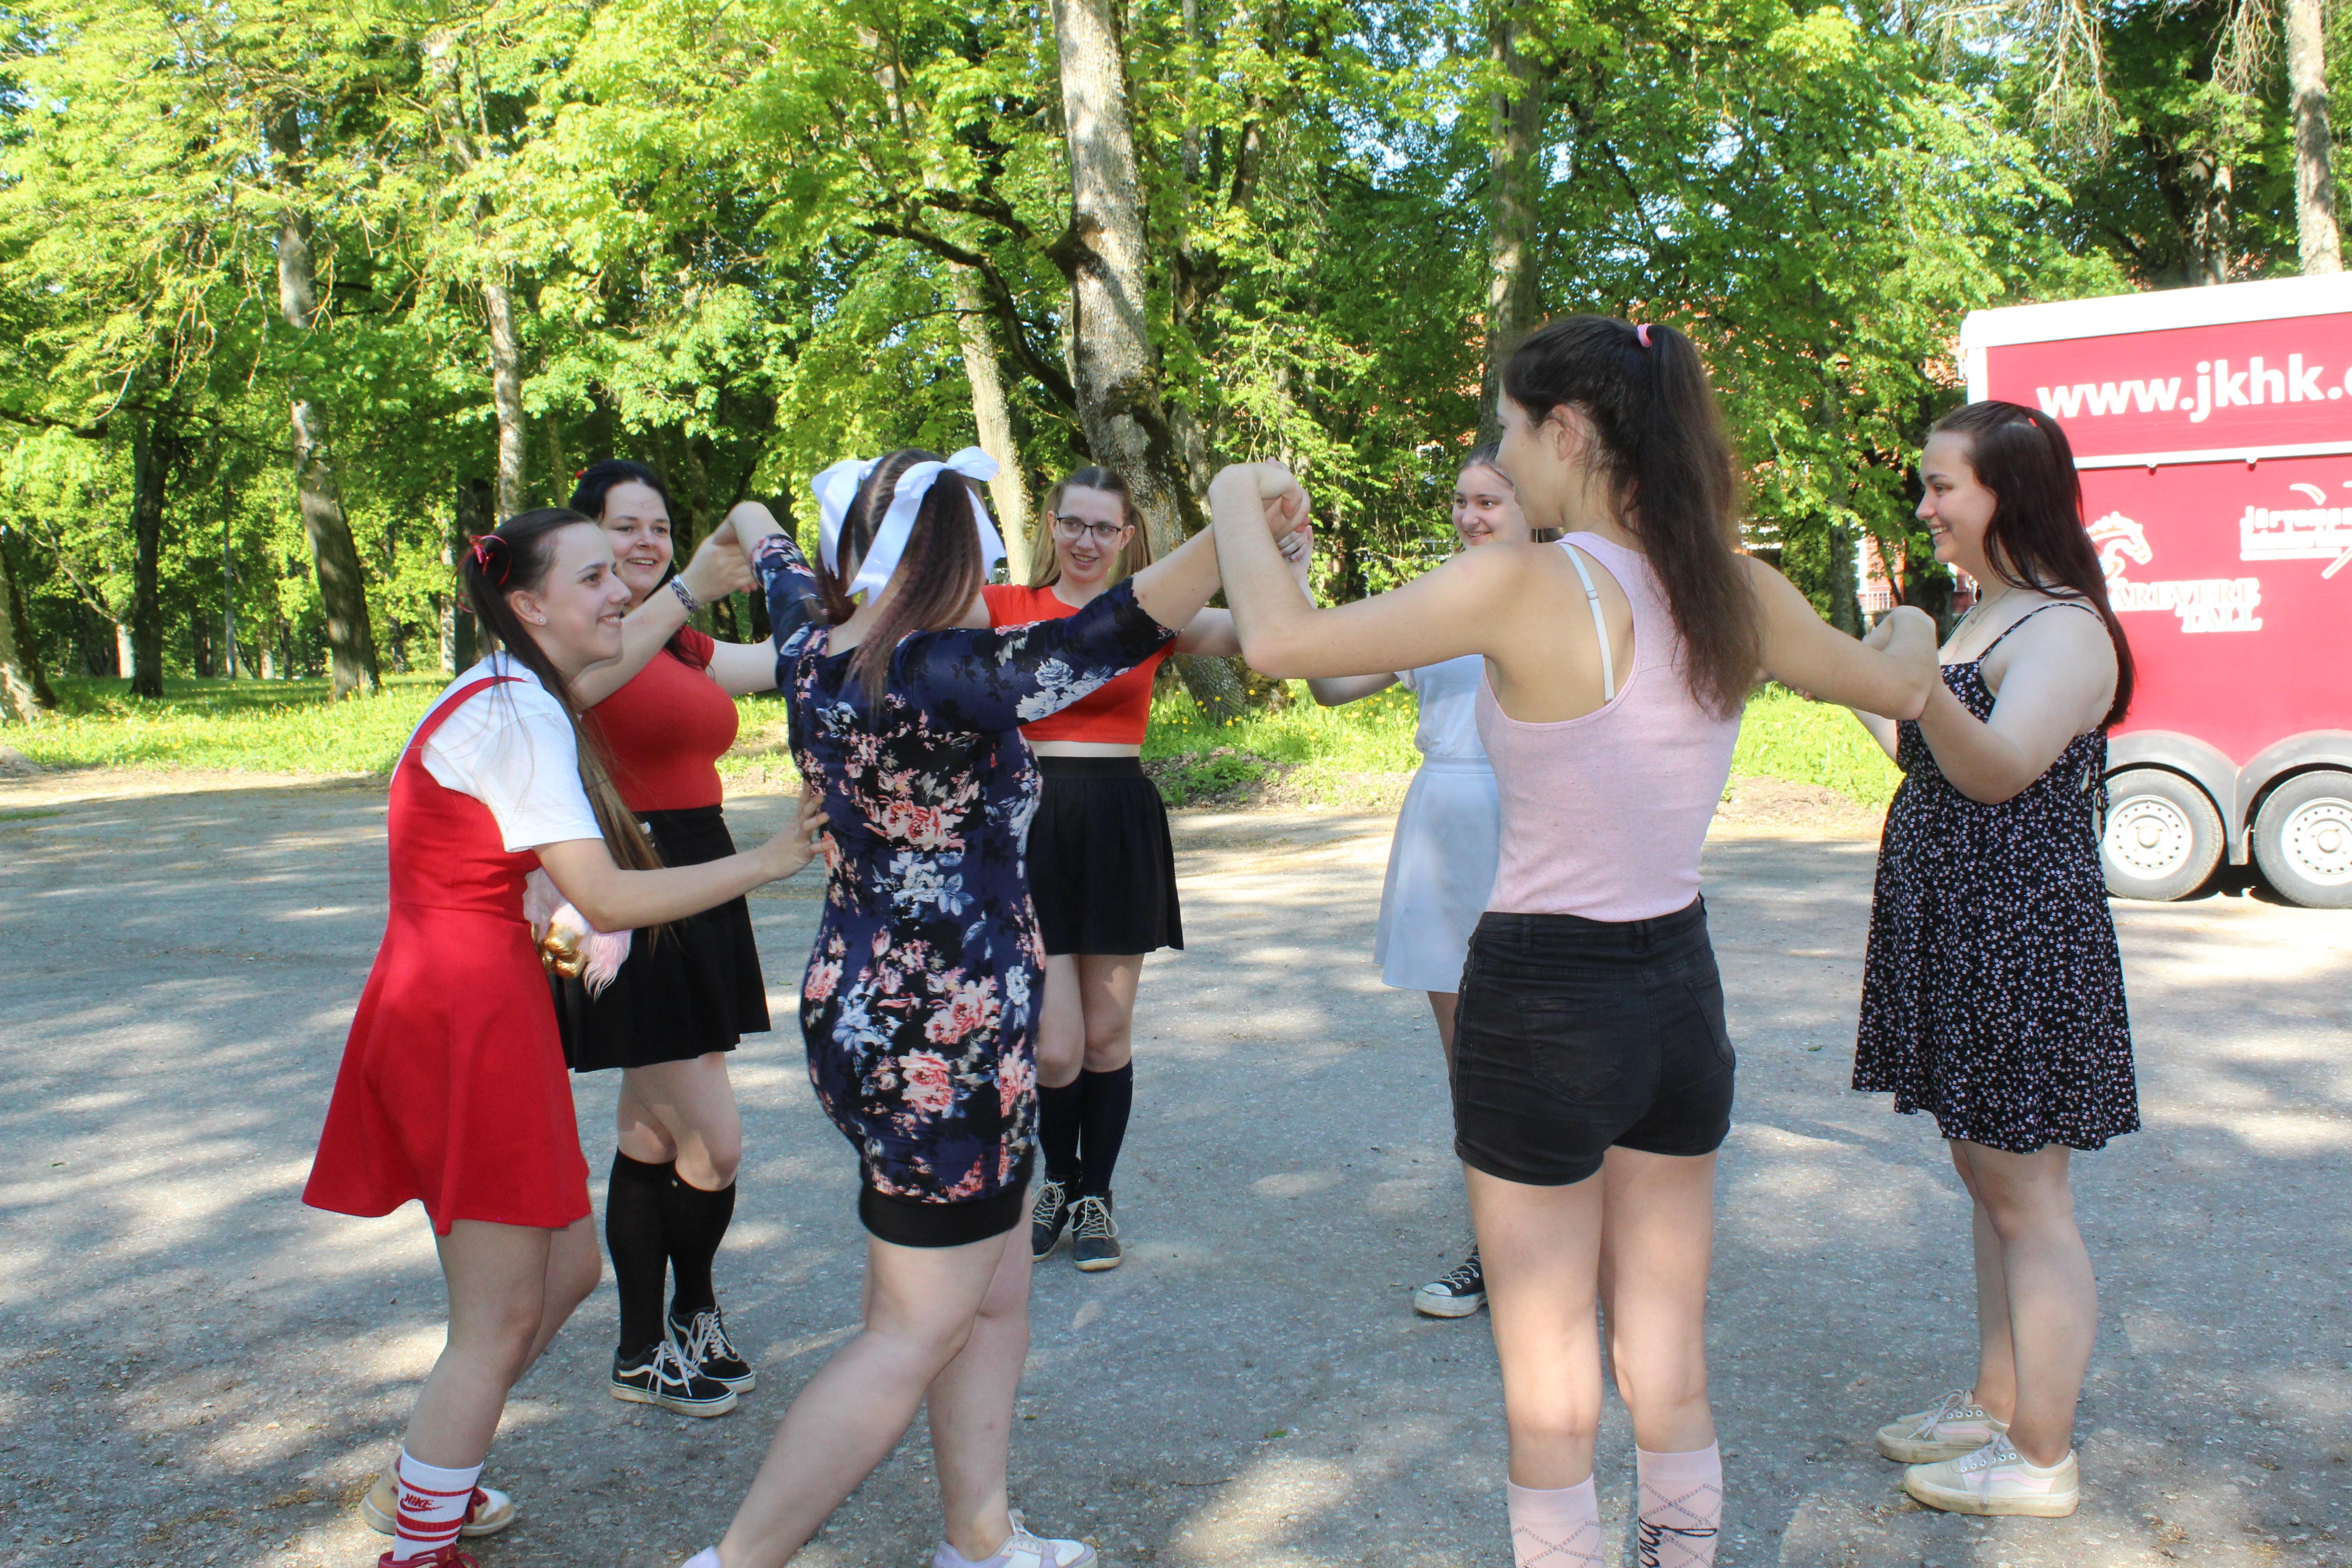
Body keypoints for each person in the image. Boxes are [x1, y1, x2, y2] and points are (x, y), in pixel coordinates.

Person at [1204, 317, 1941, 1568]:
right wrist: (1913, 621)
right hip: (1678, 994)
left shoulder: (1526, 583)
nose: (1499, 454)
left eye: (1508, 427)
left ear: (1570, 432)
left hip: (1542, 999)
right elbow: (1902, 687)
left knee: (1549, 1383)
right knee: (1668, 1358)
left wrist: (1234, 492)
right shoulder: (1737, 591)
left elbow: (1280, 645)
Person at [682, 446, 1303, 1568]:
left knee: (998, 1289)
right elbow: (1123, 623)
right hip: (944, 1041)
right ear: (947, 555)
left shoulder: (815, 642)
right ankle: (733, 1562)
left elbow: (767, 541)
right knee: (911, 1329)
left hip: (891, 1013)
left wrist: (751, 524)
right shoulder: (942, 674)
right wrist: (1235, 515)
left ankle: (980, 1540)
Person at [304, 506, 823, 1568]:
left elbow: (599, 687)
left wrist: (695, 582)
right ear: (530, 605)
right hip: (466, 1017)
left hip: (468, 1001)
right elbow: (609, 896)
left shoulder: (511, 690)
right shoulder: (522, 713)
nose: (619, 591)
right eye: (592, 578)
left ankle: (425, 1477)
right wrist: (769, 861)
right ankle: (421, 1542)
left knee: (569, 1271)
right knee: (495, 1320)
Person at [1848, 401, 2137, 1520]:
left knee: (2028, 1195)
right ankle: (1996, 1403)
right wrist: (1868, 679)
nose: (1923, 507)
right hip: (1962, 925)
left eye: (1941, 486)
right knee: (1990, 1178)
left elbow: (1999, 768)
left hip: (2020, 936)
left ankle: (2040, 1458)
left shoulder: (2064, 628)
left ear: (2006, 493)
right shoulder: (1990, 614)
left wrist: (1916, 676)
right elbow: (1923, 752)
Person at [986, 466, 1305, 1274]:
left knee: (1106, 1033)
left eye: (1105, 528)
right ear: (1050, 525)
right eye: (1074, 523)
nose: (1087, 541)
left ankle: (1094, 1194)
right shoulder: (1003, 608)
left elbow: (1263, 640)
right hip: (1025, 824)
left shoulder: (1151, 613)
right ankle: (1058, 1179)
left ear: (1128, 537)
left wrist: (1289, 569)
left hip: (1115, 821)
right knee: (1055, 1049)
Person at [544, 459, 784, 1421]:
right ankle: (681, 1318)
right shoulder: (577, 633)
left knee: (649, 1133)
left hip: (700, 872)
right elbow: (584, 686)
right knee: (713, 1144)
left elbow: (775, 663)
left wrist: (882, 601)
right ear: (586, 541)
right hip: (621, 888)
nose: (644, 542)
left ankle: (657, 1339)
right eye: (624, 527)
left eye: (657, 527)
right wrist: (688, 584)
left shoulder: (679, 639)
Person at [1302, 444, 1540, 1319]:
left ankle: (1563, 1237)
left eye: (1490, 502)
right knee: (1469, 1054)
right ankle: (1498, 1246)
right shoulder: (1434, 598)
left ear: (1532, 508)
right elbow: (1331, 684)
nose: (1471, 517)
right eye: (1462, 502)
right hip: (1444, 825)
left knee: (1549, 1042)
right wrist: (1294, 574)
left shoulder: (1565, 592)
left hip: (1533, 823)